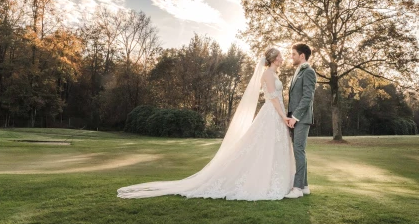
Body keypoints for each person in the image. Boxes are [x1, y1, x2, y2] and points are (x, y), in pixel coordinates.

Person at [117, 47, 296, 201]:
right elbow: (272, 98)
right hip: (272, 113)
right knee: (262, 146)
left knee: (271, 147)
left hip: (276, 114)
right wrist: (283, 116)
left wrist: (283, 115)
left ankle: (274, 181)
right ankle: (261, 182)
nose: (282, 58)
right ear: (273, 58)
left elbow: (277, 98)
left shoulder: (273, 73)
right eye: (279, 56)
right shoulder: (267, 74)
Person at [284, 43, 316, 199]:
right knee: (299, 151)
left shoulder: (308, 72)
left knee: (298, 150)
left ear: (302, 55)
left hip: (301, 118)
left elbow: (307, 97)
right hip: (294, 117)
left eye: (294, 54)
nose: (291, 56)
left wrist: (295, 117)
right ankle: (305, 187)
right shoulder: (298, 72)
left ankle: (297, 188)